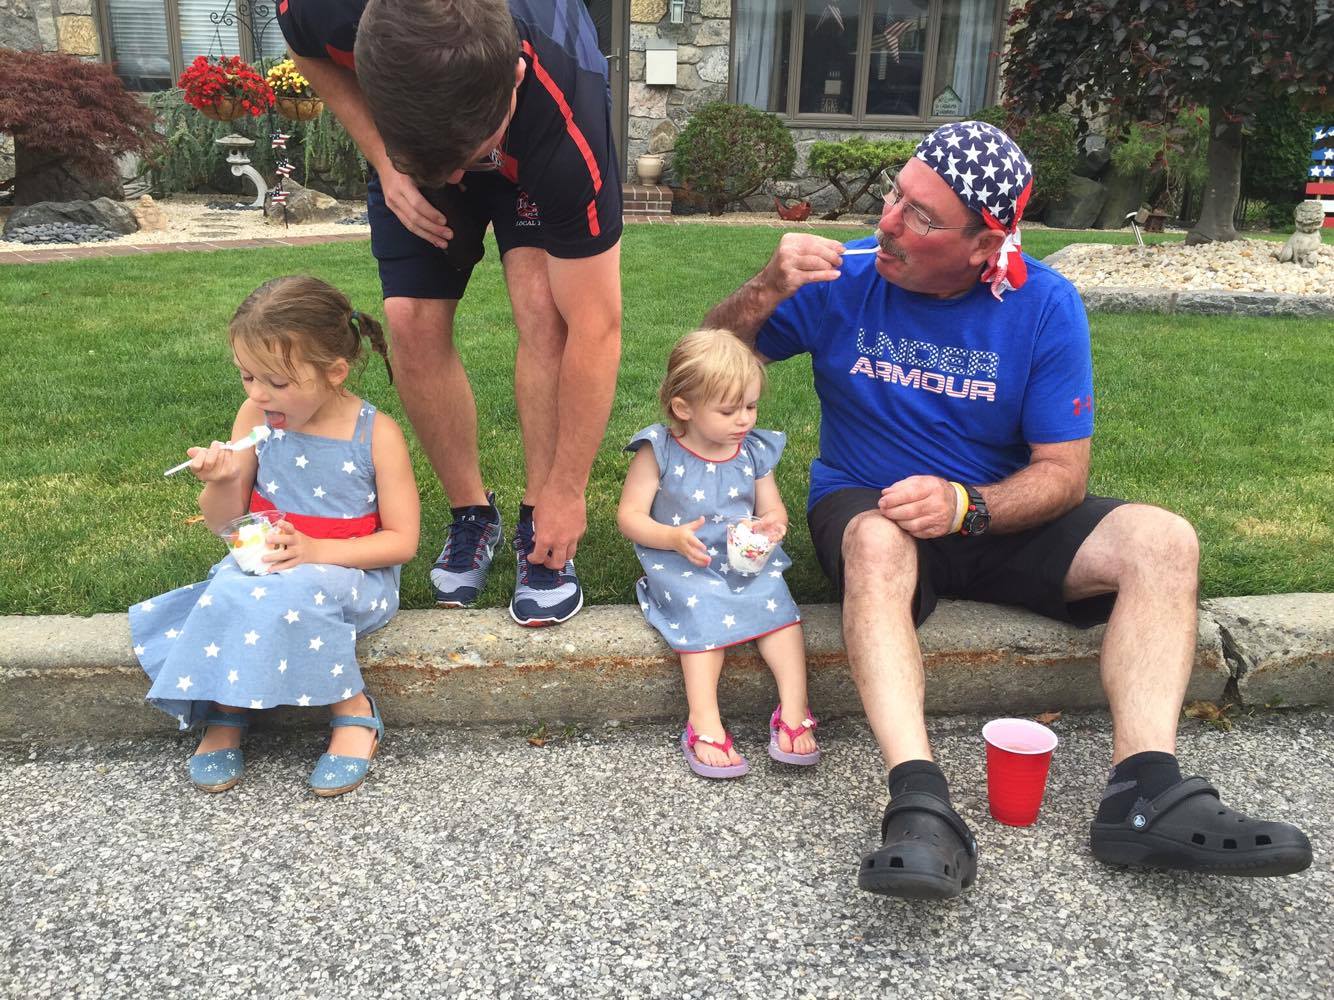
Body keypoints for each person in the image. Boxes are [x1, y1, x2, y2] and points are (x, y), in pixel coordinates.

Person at [704, 121, 1312, 897]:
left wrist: (968, 505)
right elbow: (701, 371)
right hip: (874, 503)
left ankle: (1146, 793)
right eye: (896, 195)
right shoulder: (841, 276)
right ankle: (919, 801)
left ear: (985, 246)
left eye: (921, 217)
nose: (887, 222)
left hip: (993, 511)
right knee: (877, 545)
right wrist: (766, 286)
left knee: (1163, 540)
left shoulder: (1044, 304)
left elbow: (1062, 473)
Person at [276, 0, 622, 627]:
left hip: (529, 143)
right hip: (413, 141)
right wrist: (388, 161)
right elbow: (303, 50)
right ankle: (471, 514)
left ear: (515, 75)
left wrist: (569, 490)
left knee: (546, 313)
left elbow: (595, 329)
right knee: (410, 320)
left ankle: (540, 514)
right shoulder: (325, 8)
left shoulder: (567, 109)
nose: (461, 176)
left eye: (471, 155)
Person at [129, 276, 420, 797]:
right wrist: (221, 482)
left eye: (277, 382)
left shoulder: (375, 434)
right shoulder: (254, 418)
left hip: (353, 572)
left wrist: (316, 551)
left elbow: (402, 542)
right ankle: (226, 707)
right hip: (266, 562)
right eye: (247, 376)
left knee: (299, 591)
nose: (258, 394)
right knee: (226, 590)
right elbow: (224, 523)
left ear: (334, 372)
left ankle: (351, 705)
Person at [617, 329, 819, 779]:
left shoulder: (752, 450)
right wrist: (670, 538)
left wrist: (772, 525)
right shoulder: (659, 450)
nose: (744, 419)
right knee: (702, 609)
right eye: (728, 410)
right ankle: (703, 719)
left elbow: (772, 508)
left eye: (751, 406)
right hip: (683, 562)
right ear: (683, 408)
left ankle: (794, 707)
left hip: (742, 558)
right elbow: (629, 516)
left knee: (779, 606)